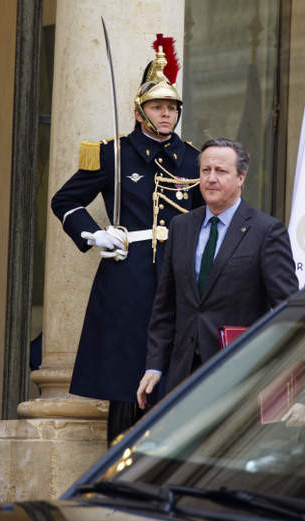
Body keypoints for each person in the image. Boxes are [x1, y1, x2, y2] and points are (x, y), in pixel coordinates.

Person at [51, 41, 202, 444]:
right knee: (127, 374)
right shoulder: (110, 154)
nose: (166, 114)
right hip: (129, 271)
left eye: (171, 107)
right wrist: (94, 234)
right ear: (139, 112)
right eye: (157, 107)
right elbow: (64, 201)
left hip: (181, 271)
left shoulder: (193, 159)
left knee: (175, 365)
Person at [136, 138, 299, 408]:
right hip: (183, 376)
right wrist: (154, 366)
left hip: (239, 377)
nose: (211, 178)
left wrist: (296, 386)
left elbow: (290, 311)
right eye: (205, 170)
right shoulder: (181, 226)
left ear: (240, 178)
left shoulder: (266, 231)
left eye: (221, 171)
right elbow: (165, 307)